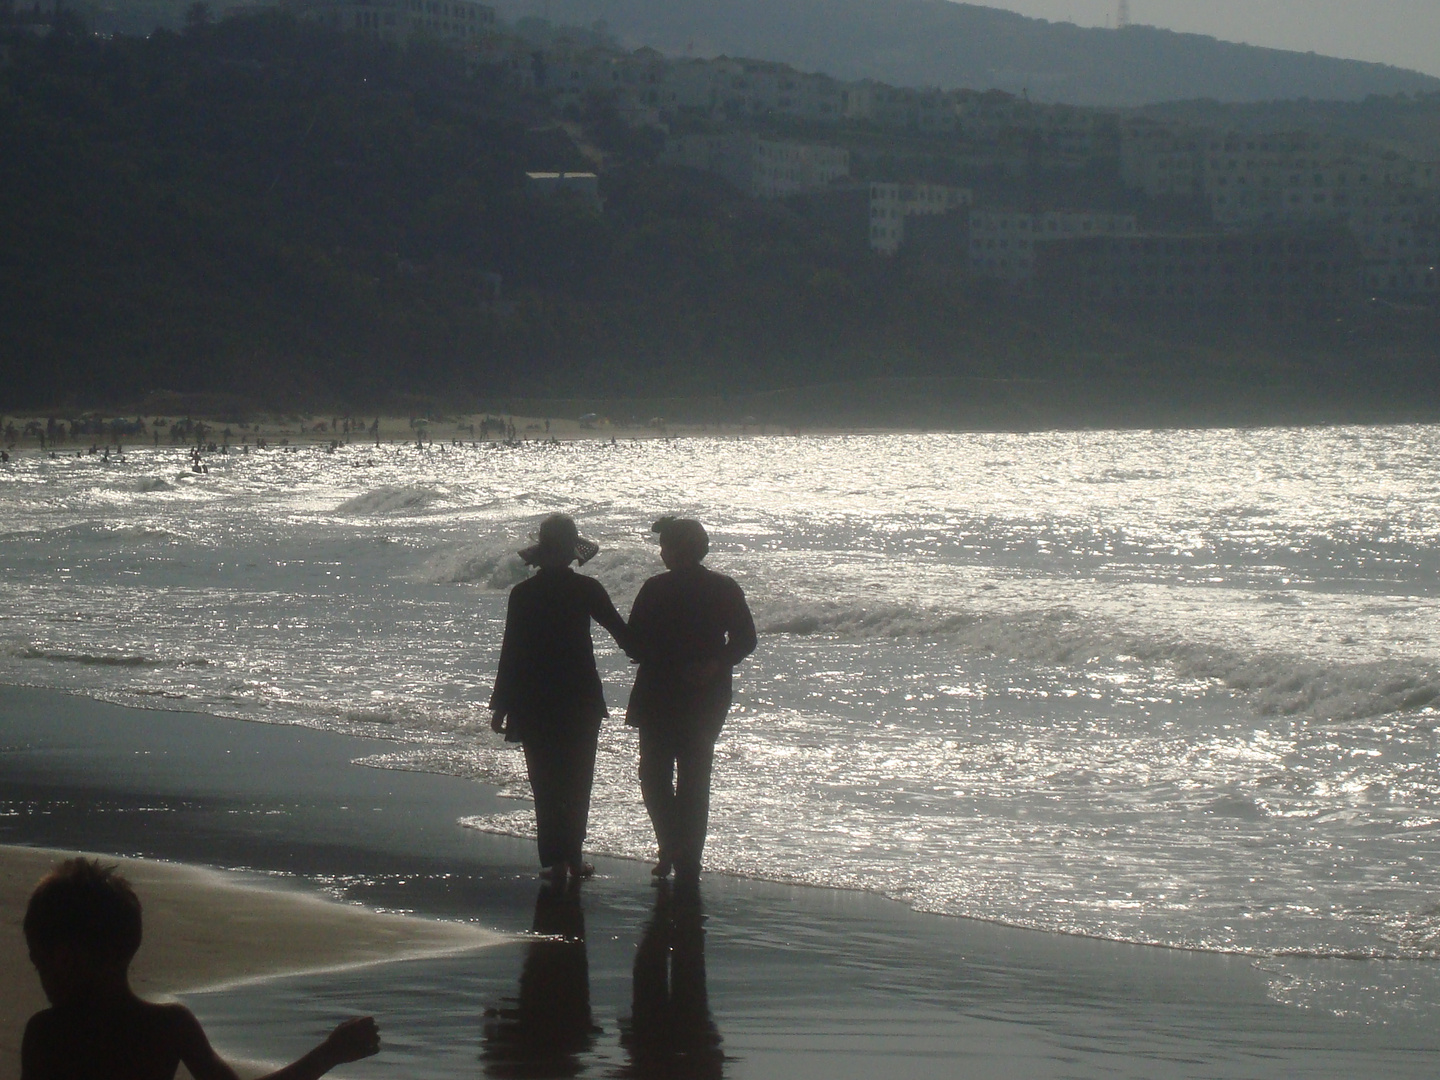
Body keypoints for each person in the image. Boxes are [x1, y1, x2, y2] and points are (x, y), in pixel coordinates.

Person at [21, 858, 380, 1080]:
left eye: (38, 962)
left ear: (63, 958)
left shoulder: (47, 1034)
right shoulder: (168, 1026)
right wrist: (329, 1053)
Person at [490, 513, 629, 886]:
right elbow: (622, 634)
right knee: (577, 778)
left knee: (545, 781)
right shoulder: (587, 590)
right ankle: (573, 857)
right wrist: (661, 652)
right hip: (579, 697)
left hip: (533, 699)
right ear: (571, 553)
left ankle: (554, 861)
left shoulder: (523, 594)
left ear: (541, 551)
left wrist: (500, 704)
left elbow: (512, 651)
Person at [626, 517, 756, 891]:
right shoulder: (723, 587)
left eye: (666, 546)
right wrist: (715, 664)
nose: (662, 552)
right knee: (694, 776)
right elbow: (746, 639)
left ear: (677, 550)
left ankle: (672, 847)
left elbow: (635, 642)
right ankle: (685, 856)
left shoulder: (655, 588)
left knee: (654, 773)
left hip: (661, 690)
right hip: (706, 691)